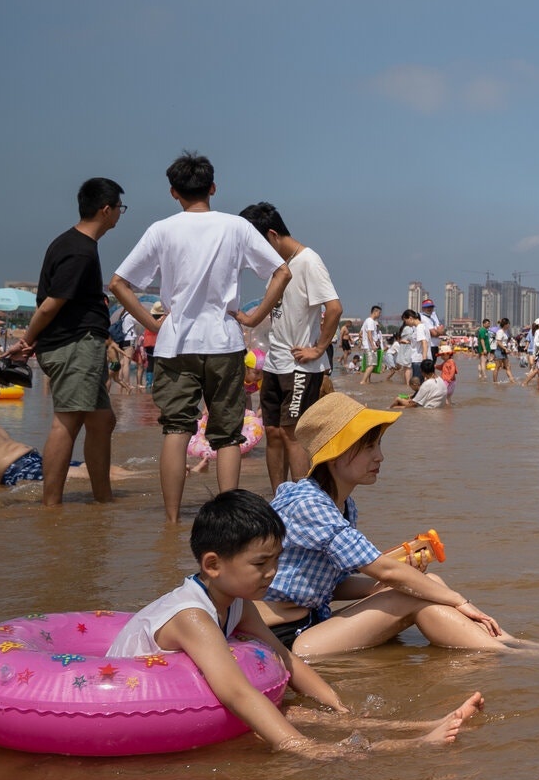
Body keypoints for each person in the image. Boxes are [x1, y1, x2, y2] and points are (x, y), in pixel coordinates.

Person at [109, 489, 483, 756]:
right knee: (298, 728)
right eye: (260, 564)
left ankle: (423, 726)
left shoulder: (237, 601)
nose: (272, 573)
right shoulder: (192, 616)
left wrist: (337, 706)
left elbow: (284, 658)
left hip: (179, 696)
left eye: (276, 561)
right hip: (128, 705)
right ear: (213, 565)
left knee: (308, 713)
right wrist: (300, 747)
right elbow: (237, 693)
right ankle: (412, 745)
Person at [259, 394, 539, 655]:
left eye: (378, 445)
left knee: (429, 583)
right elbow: (386, 569)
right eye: (368, 447)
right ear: (335, 455)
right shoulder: (310, 504)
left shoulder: (343, 504)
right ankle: (506, 654)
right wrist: (457, 600)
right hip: (288, 636)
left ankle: (505, 641)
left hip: (313, 619)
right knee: (412, 592)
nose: (380, 456)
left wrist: (393, 582)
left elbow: (332, 583)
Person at [109, 152, 292, 524]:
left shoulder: (162, 229)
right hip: (224, 342)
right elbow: (281, 272)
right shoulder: (235, 228)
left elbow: (118, 283)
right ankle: (229, 520)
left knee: (176, 430)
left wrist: (154, 323)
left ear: (174, 192)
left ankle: (173, 521)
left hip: (176, 344)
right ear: (212, 187)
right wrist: (255, 315)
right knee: (227, 435)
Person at [3, 176, 126, 506]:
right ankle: (51, 505)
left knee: (103, 421)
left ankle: (103, 497)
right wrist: (26, 341)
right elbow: (50, 304)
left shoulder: (69, 243)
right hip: (75, 345)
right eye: (119, 208)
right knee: (67, 422)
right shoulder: (80, 251)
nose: (119, 214)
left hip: (74, 344)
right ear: (105, 209)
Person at [238, 203, 343, 491]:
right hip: (274, 363)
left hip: (300, 366)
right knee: (272, 431)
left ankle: (302, 499)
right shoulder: (279, 269)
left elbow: (334, 308)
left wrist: (318, 349)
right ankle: (280, 498)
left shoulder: (308, 261)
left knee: (291, 433)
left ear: (272, 235)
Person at [0, 372, 111, 492]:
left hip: (34, 460)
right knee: (93, 476)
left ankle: (140, 478)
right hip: (17, 470)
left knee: (102, 468)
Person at [359, 304, 385, 383]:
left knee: (369, 364)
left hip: (367, 346)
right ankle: (363, 381)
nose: (380, 315)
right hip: (370, 347)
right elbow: (369, 333)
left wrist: (362, 341)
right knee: (372, 365)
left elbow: (360, 333)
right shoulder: (370, 321)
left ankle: (367, 381)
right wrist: (373, 345)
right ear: (375, 312)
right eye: (379, 313)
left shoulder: (367, 321)